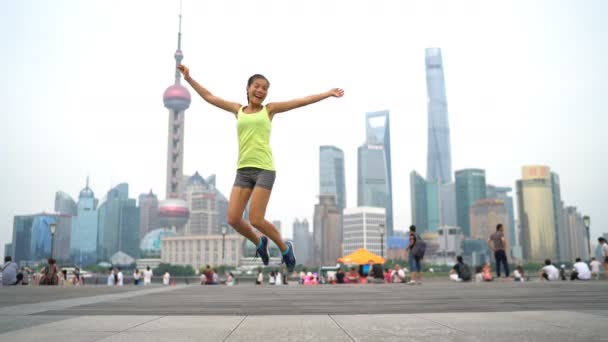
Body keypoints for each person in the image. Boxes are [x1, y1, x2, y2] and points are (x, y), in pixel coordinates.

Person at [178, 65, 344, 272]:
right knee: (233, 219)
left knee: (256, 218)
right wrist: (189, 79)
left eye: (265, 88)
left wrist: (327, 93)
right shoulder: (237, 110)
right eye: (256, 86)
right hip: (243, 171)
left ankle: (285, 248)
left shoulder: (269, 110)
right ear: (248, 89)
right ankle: (259, 243)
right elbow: (210, 97)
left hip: (264, 169)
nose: (261, 91)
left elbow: (300, 101)